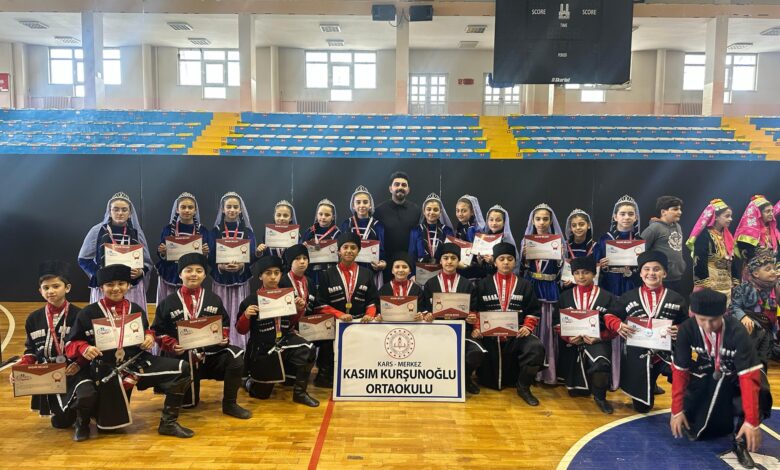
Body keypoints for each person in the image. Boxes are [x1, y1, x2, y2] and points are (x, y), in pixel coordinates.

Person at [65, 265, 194, 438]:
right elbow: (70, 344)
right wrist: (84, 347)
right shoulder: (88, 313)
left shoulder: (136, 309)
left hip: (137, 361)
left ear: (128, 285)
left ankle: (168, 423)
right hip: (107, 368)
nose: (116, 288)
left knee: (182, 368)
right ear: (101, 287)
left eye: (121, 283)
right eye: (110, 284)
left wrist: (149, 337)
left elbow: (147, 330)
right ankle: (85, 418)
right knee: (109, 429)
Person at [671, 289, 772, 468]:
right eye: (702, 319)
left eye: (714, 320)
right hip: (710, 369)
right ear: (693, 314)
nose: (708, 325)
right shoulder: (686, 329)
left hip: (738, 371)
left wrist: (752, 421)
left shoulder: (737, 331)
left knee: (761, 393)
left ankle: (740, 442)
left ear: (723, 314)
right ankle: (695, 415)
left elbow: (748, 378)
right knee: (698, 396)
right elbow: (680, 371)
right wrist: (676, 410)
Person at [152, 253, 251, 419]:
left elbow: (224, 324)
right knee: (189, 404)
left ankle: (230, 404)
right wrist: (172, 345)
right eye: (188, 270)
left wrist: (223, 338)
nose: (194, 274)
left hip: (209, 355)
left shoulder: (214, 299)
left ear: (205, 275)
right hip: (183, 357)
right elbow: (157, 331)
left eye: (199, 271)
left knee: (235, 356)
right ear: (180, 274)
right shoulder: (168, 302)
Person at [12, 261, 96, 441]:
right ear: (40, 291)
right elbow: (31, 350)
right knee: (60, 423)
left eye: (56, 286)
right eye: (46, 287)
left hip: (75, 369)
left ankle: (83, 422)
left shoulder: (80, 315)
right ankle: (69, 412)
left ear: (67, 288)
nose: (51, 291)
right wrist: (21, 369)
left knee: (86, 394)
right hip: (49, 374)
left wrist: (79, 363)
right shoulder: (33, 318)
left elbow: (90, 346)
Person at [609, 251, 688, 413]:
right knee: (642, 408)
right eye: (646, 269)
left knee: (684, 376)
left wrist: (679, 329)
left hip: (666, 352)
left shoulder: (676, 298)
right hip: (639, 354)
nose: (651, 273)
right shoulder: (628, 296)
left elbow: (687, 323)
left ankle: (683, 404)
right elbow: (610, 315)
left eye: (656, 269)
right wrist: (618, 325)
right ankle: (650, 385)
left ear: (664, 273)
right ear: (640, 273)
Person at [237, 255, 319, 407]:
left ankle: (300, 393)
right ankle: (248, 381)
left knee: (309, 348)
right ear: (260, 276)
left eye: (276, 273)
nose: (273, 277)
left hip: (284, 340)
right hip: (262, 347)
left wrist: (299, 310)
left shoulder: (288, 296)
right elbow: (241, 330)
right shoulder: (250, 300)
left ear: (281, 274)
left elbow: (291, 323)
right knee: (262, 395)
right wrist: (246, 316)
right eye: (268, 273)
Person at [476, 242, 546, 406]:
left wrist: (527, 326)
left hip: (516, 335)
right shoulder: (483, 284)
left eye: (509, 259)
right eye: (501, 259)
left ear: (515, 262)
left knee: (536, 348)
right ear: (495, 262)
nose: (506, 262)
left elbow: (533, 310)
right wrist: (477, 328)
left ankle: (523, 387)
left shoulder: (525, 285)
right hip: (489, 336)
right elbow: (476, 309)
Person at [553, 256, 618, 414]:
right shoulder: (565, 296)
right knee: (576, 392)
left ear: (594, 274)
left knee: (601, 365)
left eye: (586, 272)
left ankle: (600, 397)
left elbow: (614, 327)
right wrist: (568, 337)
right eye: (577, 273)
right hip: (572, 342)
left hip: (598, 341)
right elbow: (556, 322)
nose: (581, 277)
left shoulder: (607, 297)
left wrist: (600, 337)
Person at [314, 232, 380, 386]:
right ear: (339, 251)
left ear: (358, 251)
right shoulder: (327, 274)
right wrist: (339, 315)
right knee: (327, 358)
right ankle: (325, 376)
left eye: (353, 247)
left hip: (359, 322)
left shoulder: (367, 274)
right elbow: (320, 304)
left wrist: (369, 315)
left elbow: (372, 300)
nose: (349, 250)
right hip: (334, 323)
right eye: (345, 247)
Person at [420, 243, 485, 395]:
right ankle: (436, 380)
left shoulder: (467, 284)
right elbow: (424, 307)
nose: (449, 261)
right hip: (436, 331)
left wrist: (472, 319)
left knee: (476, 353)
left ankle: (466, 378)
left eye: (453, 258)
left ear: (458, 261)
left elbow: (473, 310)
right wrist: (427, 315)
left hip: (462, 331)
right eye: (446, 258)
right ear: (440, 261)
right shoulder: (430, 284)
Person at [593, 195, 642, 390]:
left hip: (631, 286)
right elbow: (593, 268)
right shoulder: (605, 239)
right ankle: (611, 374)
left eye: (630, 214)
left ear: (636, 217)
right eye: (622, 214)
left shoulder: (639, 240)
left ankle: (631, 375)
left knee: (631, 328)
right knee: (611, 326)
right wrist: (601, 265)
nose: (626, 217)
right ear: (615, 217)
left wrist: (639, 266)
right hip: (610, 286)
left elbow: (647, 268)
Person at [78, 191, 152, 311]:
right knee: (104, 318)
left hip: (130, 287)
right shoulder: (97, 231)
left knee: (130, 317)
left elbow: (147, 261)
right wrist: (100, 273)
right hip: (105, 286)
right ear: (109, 211)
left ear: (130, 213)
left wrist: (140, 272)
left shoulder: (136, 233)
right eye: (116, 209)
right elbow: (83, 259)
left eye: (124, 210)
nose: (120, 213)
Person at [521, 203, 564, 385]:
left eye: (545, 219)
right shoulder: (526, 241)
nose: (541, 222)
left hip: (549, 287)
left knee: (547, 328)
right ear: (532, 221)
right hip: (532, 285)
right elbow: (522, 268)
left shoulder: (557, 242)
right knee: (532, 325)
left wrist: (561, 258)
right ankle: (529, 370)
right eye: (538, 219)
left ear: (551, 221)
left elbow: (562, 271)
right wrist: (524, 258)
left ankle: (547, 373)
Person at [208, 192, 257, 349]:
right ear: (222, 209)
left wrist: (242, 265)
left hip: (240, 280)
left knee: (238, 310)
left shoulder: (248, 232)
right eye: (228, 206)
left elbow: (252, 255)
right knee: (221, 310)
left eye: (235, 207)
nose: (232, 210)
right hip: (221, 279)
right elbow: (210, 256)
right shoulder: (215, 231)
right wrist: (221, 266)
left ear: (240, 210)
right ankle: (220, 345)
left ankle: (240, 346)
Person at [155, 192, 210, 303]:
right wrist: (162, 252)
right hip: (170, 273)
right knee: (170, 304)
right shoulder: (168, 229)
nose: (187, 210)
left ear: (195, 210)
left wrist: (205, 253)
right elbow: (162, 255)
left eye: (190, 207)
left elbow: (205, 258)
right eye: (183, 207)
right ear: (177, 210)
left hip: (192, 274)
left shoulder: (202, 230)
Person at [730, 250, 778, 368]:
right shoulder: (744, 287)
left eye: (774, 268)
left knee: (768, 349)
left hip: (768, 326)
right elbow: (734, 306)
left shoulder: (775, 286)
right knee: (755, 334)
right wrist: (743, 317)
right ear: (756, 273)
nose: (773, 271)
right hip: (752, 324)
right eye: (768, 269)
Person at [686, 198, 737, 301]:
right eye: (727, 216)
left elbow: (733, 259)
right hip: (710, 286)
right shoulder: (704, 236)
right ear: (716, 217)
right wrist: (705, 285)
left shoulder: (727, 236)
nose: (730, 219)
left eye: (731, 216)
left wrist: (735, 280)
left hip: (727, 284)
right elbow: (699, 262)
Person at [374, 171, 420, 281]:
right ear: (390, 188)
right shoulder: (379, 210)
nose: (400, 187)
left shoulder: (416, 210)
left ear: (408, 190)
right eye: (397, 184)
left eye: (404, 185)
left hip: (408, 264)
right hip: (385, 264)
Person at [339, 186, 387, 287]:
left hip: (371, 269)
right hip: (350, 268)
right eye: (358, 202)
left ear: (370, 205)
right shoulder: (347, 224)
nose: (362, 205)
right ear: (353, 205)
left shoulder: (378, 225)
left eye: (365, 202)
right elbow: (340, 248)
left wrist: (382, 263)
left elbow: (382, 250)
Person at [642, 196, 685, 293]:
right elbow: (640, 251)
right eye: (675, 209)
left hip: (677, 277)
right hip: (661, 279)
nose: (680, 212)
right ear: (663, 212)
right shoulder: (654, 228)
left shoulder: (678, 226)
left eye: (680, 209)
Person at [408, 193, 455, 272]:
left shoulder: (447, 231)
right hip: (421, 273)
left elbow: (451, 254)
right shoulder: (416, 230)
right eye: (428, 209)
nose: (432, 212)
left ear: (440, 212)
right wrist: (412, 274)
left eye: (435, 210)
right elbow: (412, 255)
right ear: (424, 211)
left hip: (443, 272)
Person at [734, 195, 779, 276]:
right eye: (767, 211)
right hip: (755, 274)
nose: (771, 214)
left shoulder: (773, 231)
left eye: (772, 211)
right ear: (758, 213)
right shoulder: (747, 232)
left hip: (773, 272)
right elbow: (751, 256)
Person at [302, 198, 341, 286]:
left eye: (327, 215)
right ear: (316, 215)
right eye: (320, 214)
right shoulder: (310, 232)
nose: (323, 217)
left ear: (333, 217)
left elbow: (341, 254)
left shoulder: (337, 233)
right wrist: (303, 247)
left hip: (331, 271)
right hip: (312, 272)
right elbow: (300, 252)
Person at [377, 252, 425, 319]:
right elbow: (378, 309)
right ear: (392, 270)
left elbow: (422, 309)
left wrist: (420, 315)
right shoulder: (384, 289)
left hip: (411, 324)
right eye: (397, 267)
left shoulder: (417, 290)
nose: (401, 270)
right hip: (389, 324)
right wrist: (379, 315)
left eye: (404, 267)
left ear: (410, 271)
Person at [453, 195, 486, 280]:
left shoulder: (476, 229)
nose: (460, 214)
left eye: (464, 211)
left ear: (472, 212)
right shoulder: (459, 227)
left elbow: (479, 253)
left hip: (475, 270)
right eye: (457, 210)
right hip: (460, 267)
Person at [479, 205, 518, 275]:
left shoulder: (506, 240)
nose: (494, 223)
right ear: (487, 221)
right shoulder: (484, 238)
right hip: (486, 277)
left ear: (504, 222)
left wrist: (493, 262)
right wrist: (480, 261)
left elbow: (510, 264)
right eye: (491, 220)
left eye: (498, 220)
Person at [562, 209, 596, 289]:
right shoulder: (565, 247)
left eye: (581, 224)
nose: (578, 228)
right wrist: (563, 282)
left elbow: (597, 272)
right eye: (574, 225)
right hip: (569, 288)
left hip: (590, 288)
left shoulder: (595, 247)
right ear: (570, 228)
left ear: (588, 225)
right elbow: (559, 269)